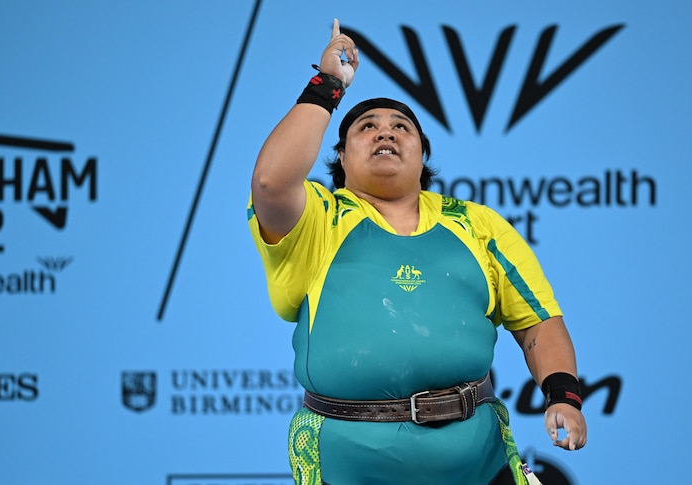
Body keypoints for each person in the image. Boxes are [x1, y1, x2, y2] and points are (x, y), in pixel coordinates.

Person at [248, 18, 586, 485]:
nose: (385, 133)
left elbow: (537, 324)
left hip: (478, 460)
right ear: (341, 157)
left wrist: (562, 396)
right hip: (351, 464)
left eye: (401, 127)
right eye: (367, 127)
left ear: (421, 154)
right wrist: (328, 84)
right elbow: (271, 181)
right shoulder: (318, 219)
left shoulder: (478, 224)